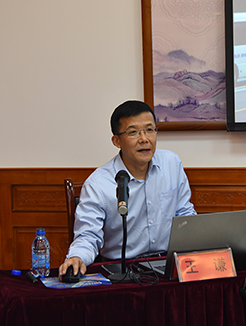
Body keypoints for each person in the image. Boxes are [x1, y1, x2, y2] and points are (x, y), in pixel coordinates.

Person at [58, 100, 196, 277]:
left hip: (168, 265)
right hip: (122, 269)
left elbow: (185, 214)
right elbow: (88, 235)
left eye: (149, 130)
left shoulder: (171, 163)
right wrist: (77, 257)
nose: (144, 139)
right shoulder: (98, 184)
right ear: (117, 141)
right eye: (133, 132)